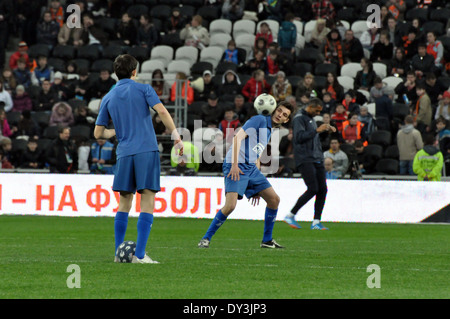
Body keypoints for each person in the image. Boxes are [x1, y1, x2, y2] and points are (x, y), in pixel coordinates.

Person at [94, 54, 183, 264]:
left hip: (124, 153)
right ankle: (140, 256)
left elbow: (98, 133)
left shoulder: (108, 96)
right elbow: (160, 110)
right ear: (135, 71)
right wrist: (176, 135)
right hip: (146, 150)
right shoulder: (144, 89)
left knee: (124, 202)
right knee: (148, 200)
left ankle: (118, 253)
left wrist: (116, 131)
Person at [198, 101, 294, 249]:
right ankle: (205, 238)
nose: (280, 114)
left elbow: (256, 153)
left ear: (286, 120)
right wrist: (235, 165)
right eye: (279, 110)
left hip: (251, 168)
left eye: (284, 114)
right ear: (274, 110)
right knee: (230, 206)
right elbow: (237, 138)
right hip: (235, 164)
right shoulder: (259, 119)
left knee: (274, 200)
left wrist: (256, 187)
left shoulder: (269, 129)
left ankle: (267, 240)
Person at [284, 97, 337, 230]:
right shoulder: (299, 118)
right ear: (311, 107)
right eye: (317, 110)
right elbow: (299, 137)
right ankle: (290, 215)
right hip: (305, 158)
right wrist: (317, 130)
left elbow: (314, 138)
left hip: (316, 157)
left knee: (323, 189)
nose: (318, 113)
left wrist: (325, 132)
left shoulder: (311, 119)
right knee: (313, 188)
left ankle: (316, 222)